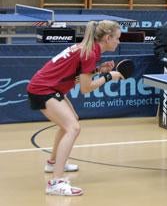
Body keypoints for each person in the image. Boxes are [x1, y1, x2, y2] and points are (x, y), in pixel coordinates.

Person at [27, 20, 125, 196]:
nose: (119, 42)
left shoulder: (88, 48)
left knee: (70, 124)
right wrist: (109, 76)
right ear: (108, 38)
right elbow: (86, 88)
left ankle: (53, 162)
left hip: (49, 86)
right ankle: (55, 183)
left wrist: (98, 71)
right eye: (117, 38)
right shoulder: (90, 52)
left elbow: (77, 75)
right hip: (43, 89)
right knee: (73, 127)